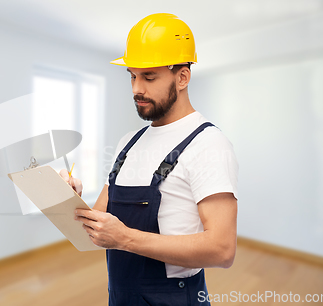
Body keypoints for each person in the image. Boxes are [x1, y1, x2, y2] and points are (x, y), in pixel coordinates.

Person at [60, 13, 238, 306]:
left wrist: (125, 239)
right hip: (120, 296)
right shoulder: (128, 143)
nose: (136, 89)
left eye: (149, 76)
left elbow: (222, 250)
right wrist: (69, 200)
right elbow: (97, 230)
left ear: (182, 77)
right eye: (132, 75)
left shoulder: (208, 144)